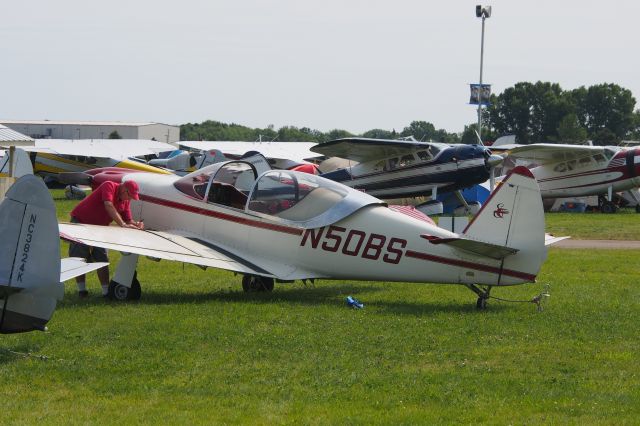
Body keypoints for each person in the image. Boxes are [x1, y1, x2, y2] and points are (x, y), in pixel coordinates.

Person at [68, 180, 144, 298]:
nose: (129, 199)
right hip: (81, 221)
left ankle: (106, 292)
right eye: (129, 196)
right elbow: (108, 204)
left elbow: (128, 220)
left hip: (100, 227)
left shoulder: (125, 201)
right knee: (79, 257)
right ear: (124, 190)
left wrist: (137, 225)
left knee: (102, 257)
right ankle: (82, 291)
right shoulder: (109, 185)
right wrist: (122, 224)